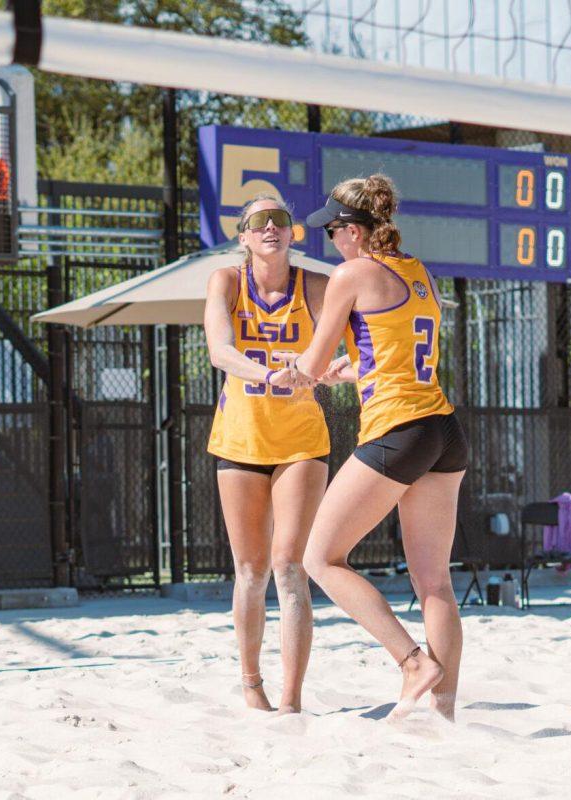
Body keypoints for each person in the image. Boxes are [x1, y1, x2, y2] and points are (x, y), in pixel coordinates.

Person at [294, 176, 468, 722]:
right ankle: (443, 714)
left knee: (319, 557)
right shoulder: (416, 269)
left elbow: (312, 363)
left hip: (398, 429)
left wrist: (293, 374)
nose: (331, 242)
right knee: (435, 583)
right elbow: (396, 346)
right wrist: (354, 370)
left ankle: (412, 662)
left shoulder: (350, 274)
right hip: (442, 429)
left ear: (353, 230)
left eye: (334, 232)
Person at [203, 195, 332, 714]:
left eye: (280, 220)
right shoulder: (226, 282)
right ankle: (251, 683)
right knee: (251, 569)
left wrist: (328, 370)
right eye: (259, 222)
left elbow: (337, 350)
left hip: (301, 439)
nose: (271, 228)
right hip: (241, 438)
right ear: (244, 237)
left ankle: (292, 697)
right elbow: (220, 351)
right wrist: (270, 373)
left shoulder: (317, 287)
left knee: (289, 566)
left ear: (294, 234)